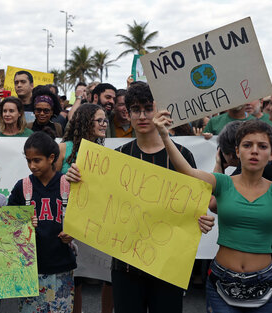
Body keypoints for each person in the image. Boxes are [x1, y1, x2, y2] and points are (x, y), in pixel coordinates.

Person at [65, 82, 214, 313]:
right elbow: (100, 203)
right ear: (129, 114)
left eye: (148, 108)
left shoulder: (182, 157)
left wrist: (202, 220)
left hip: (168, 267)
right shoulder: (119, 157)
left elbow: (195, 208)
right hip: (126, 268)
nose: (142, 116)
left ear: (159, 111)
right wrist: (77, 179)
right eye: (135, 109)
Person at [154, 115, 272, 312]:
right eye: (247, 145)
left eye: (262, 146)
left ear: (270, 153)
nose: (254, 151)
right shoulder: (223, 183)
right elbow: (188, 172)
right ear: (237, 151)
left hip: (266, 287)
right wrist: (165, 136)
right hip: (221, 286)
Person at [8, 131, 76, 313]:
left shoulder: (68, 184)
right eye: (28, 160)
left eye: (37, 160)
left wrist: (74, 233)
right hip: (30, 269)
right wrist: (22, 225)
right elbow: (7, 224)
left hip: (62, 266)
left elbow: (84, 219)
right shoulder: (21, 187)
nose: (32, 166)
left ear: (51, 158)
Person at [56, 103, 112, 313]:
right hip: (70, 219)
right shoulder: (64, 148)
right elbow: (50, 182)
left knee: (108, 276)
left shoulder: (103, 152)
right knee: (75, 278)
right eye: (99, 120)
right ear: (85, 122)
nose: (104, 124)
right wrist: (65, 177)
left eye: (105, 120)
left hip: (97, 219)